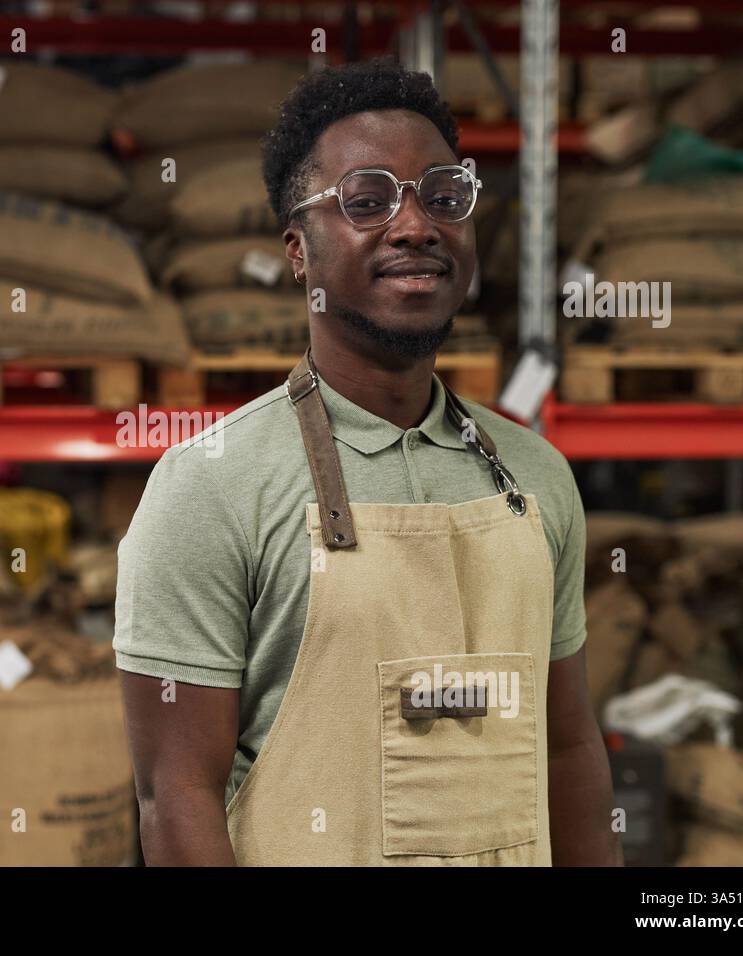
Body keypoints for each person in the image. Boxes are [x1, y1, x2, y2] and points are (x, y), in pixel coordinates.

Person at [114, 58, 622, 866]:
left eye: (445, 197)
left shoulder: (536, 477)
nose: (416, 225)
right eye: (368, 200)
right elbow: (176, 799)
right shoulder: (209, 484)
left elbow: (567, 751)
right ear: (298, 252)